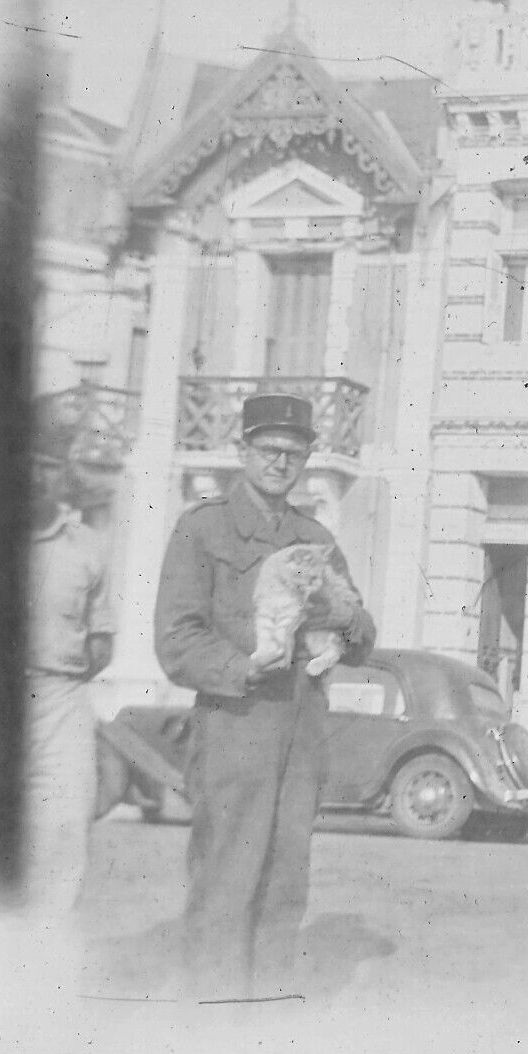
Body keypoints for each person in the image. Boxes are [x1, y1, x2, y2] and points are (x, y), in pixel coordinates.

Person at [154, 393, 376, 1002]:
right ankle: (211, 1025)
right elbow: (176, 640)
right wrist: (243, 667)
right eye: (269, 450)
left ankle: (265, 1029)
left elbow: (362, 635)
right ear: (243, 451)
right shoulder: (202, 528)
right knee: (227, 878)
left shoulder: (315, 538)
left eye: (294, 453)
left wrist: (342, 614)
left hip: (301, 732)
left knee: (285, 881)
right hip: (235, 723)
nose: (281, 463)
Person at [23, 404, 118, 921]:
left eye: (50, 465)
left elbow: (101, 641)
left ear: (65, 473)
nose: (38, 476)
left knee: (63, 828)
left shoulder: (88, 546)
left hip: (60, 699)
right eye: (28, 462)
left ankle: (45, 954)